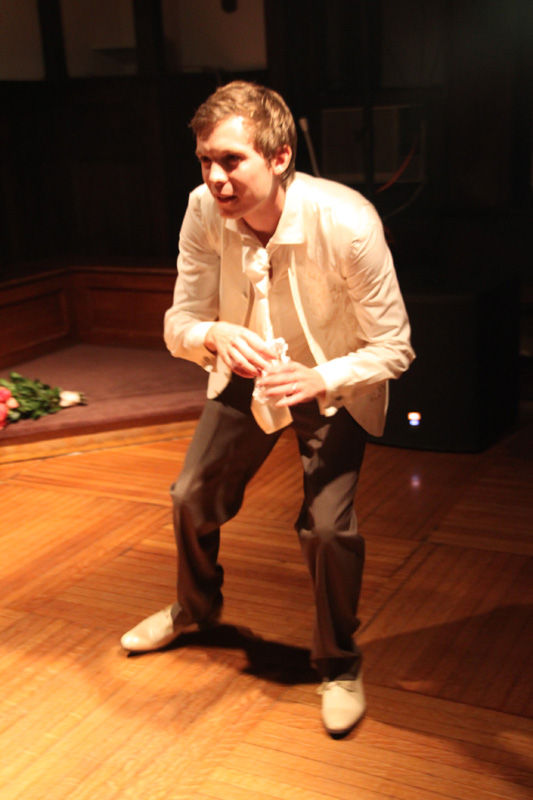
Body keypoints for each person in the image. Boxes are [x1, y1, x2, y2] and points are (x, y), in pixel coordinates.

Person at [121, 81, 414, 737]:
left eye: (231, 160)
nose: (215, 178)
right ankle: (194, 610)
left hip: (332, 380)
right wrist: (212, 334)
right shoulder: (202, 210)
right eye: (206, 160)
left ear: (280, 157)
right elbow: (179, 322)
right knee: (190, 494)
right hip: (245, 372)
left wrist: (320, 377)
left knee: (328, 529)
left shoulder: (348, 222)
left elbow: (394, 347)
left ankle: (338, 662)